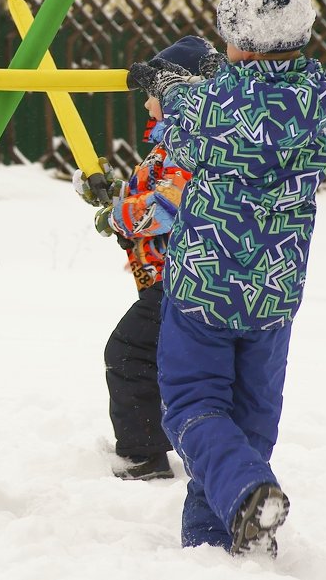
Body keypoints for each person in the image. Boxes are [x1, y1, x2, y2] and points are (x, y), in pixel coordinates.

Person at [126, 0, 326, 558]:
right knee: (251, 418)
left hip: (204, 287)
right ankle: (225, 537)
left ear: (240, 44)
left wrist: (161, 84)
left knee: (194, 407)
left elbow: (183, 123)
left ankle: (246, 489)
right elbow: (258, 110)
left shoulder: (206, 105)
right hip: (275, 292)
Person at [74, 36, 219, 481]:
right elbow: (154, 193)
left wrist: (115, 217)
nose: (147, 105)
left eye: (152, 94)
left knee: (127, 355)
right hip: (171, 276)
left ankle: (143, 456)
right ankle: (169, 448)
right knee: (160, 362)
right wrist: (111, 191)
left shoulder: (189, 140)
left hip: (180, 279)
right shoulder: (176, 139)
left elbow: (167, 207)